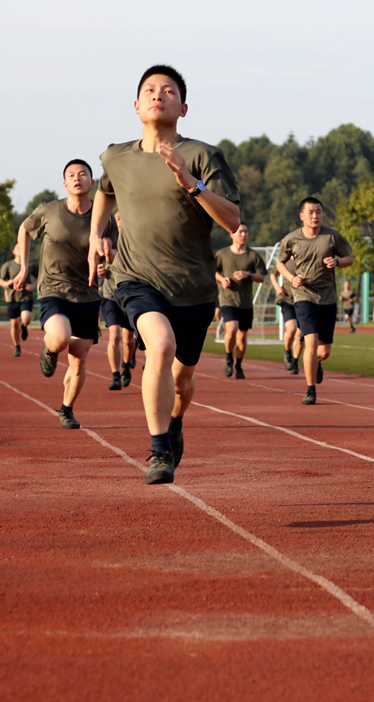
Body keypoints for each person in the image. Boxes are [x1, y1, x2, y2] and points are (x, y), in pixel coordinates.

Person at [87, 64, 241, 484]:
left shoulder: (203, 156)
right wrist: (95, 236)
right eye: (150, 90)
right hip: (136, 278)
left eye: (169, 91)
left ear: (183, 108)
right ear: (136, 105)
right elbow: (104, 192)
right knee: (160, 345)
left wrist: (192, 183)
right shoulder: (116, 156)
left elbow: (232, 219)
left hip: (193, 287)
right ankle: (158, 451)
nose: (159, 95)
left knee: (183, 378)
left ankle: (174, 420)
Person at [14, 159, 114, 429]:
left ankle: (67, 409)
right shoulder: (49, 211)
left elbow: (115, 254)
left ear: (93, 182)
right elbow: (24, 229)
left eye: (82, 174)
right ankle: (49, 350)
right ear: (65, 184)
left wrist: (107, 259)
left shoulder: (103, 217)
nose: (77, 178)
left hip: (88, 294)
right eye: (71, 175)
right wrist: (24, 267)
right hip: (53, 289)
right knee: (59, 339)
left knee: (78, 361)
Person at [277, 197, 354, 405]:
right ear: (302, 215)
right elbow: (279, 263)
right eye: (311, 212)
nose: (315, 216)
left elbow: (350, 258)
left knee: (324, 351)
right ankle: (310, 390)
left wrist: (337, 261)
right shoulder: (291, 239)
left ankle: (316, 363)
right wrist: (291, 278)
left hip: (327, 298)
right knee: (310, 340)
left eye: (318, 212)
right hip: (303, 296)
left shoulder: (332, 236)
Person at [215, 222, 267, 380]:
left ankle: (238, 365)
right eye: (240, 232)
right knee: (232, 328)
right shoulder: (222, 254)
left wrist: (248, 275)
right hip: (227, 299)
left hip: (245, 303)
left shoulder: (253, 256)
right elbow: (213, 271)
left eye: (246, 232)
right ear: (231, 234)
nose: (243, 235)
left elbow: (262, 277)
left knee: (242, 337)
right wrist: (222, 280)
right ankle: (228, 358)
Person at [97, 215, 136, 390]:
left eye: (122, 216)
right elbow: (98, 262)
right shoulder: (106, 239)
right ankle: (115, 376)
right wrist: (99, 269)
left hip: (128, 295)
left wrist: (113, 255)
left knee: (128, 340)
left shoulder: (134, 238)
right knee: (115, 336)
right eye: (117, 217)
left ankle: (126, 365)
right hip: (110, 295)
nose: (119, 219)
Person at [0, 247, 37, 357]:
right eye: (18, 248)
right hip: (12, 298)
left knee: (26, 317)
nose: (20, 249)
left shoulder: (31, 265)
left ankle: (24, 326)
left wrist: (33, 286)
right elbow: (0, 281)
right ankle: (17, 346)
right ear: (13, 251)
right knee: (14, 324)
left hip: (26, 296)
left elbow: (41, 277)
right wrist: (7, 283)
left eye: (22, 247)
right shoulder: (8, 265)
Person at [271, 257, 301, 374]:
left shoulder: (305, 257)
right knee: (292, 328)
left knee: (300, 335)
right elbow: (273, 274)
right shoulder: (284, 259)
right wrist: (277, 287)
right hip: (287, 299)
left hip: (302, 300)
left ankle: (295, 361)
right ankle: (287, 352)